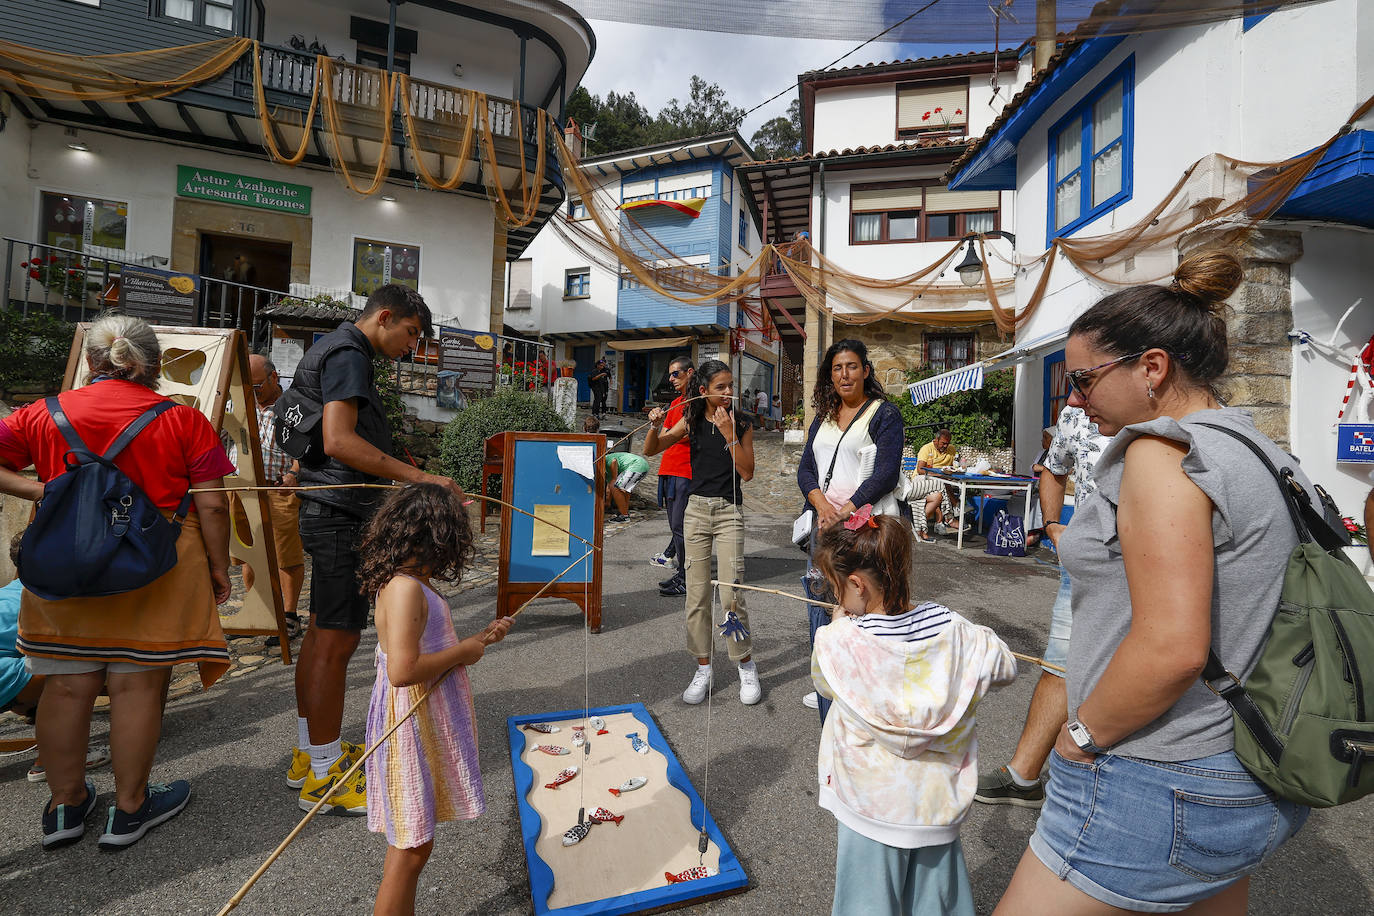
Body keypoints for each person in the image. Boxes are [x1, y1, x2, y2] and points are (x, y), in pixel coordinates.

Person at [995, 251, 1310, 914]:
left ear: (1153, 367)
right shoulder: (1259, 451)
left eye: (1082, 380)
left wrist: (1077, 737)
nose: (1073, 400)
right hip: (1250, 767)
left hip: (1156, 774)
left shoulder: (1160, 453)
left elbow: (1171, 645)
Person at [0, 313, 234, 849]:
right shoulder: (183, 420)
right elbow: (214, 506)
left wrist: (40, 494)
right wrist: (219, 568)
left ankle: (65, 807)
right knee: (136, 685)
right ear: (151, 365)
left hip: (63, 569)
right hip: (153, 570)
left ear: (90, 361)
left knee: (64, 684)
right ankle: (130, 809)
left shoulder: (41, 414)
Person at [286, 284, 464, 817]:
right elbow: (340, 440)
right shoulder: (349, 355)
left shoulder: (330, 348)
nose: (412, 347)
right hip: (341, 514)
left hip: (326, 507)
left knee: (321, 633)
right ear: (385, 316)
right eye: (410, 333)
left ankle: (308, 751)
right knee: (336, 644)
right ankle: (323, 776)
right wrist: (419, 476)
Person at [813, 512, 1016, 916]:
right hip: (935, 808)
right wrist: (965, 633)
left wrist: (839, 625)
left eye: (836, 589)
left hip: (869, 807)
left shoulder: (838, 641)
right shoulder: (956, 630)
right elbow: (1005, 666)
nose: (836, 598)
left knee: (864, 906)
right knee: (937, 906)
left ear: (857, 584)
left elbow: (823, 682)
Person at [357, 483, 512, 916]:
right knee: (409, 848)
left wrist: (480, 639)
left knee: (416, 846)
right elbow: (403, 671)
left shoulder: (409, 581)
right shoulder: (405, 588)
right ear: (437, 536)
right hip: (407, 724)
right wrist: (464, 652)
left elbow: (425, 651)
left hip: (419, 719)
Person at [975, 405, 1109, 808]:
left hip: (1149, 568)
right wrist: (1053, 527)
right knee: (1059, 663)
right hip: (1085, 562)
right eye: (1073, 379)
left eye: (1084, 376)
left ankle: (1105, 793)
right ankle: (1024, 775)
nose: (1075, 395)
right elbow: (1053, 467)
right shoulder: (1076, 416)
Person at [796, 339, 906, 718]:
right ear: (830, 374)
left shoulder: (883, 414)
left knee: (865, 610)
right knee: (821, 605)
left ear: (866, 371)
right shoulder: (823, 417)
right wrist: (823, 506)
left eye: (852, 366)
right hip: (824, 527)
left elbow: (887, 472)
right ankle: (826, 687)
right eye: (838, 368)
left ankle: (863, 699)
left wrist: (846, 509)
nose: (845, 374)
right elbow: (806, 469)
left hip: (864, 528)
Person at [644, 359, 760, 705]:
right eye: (720, 387)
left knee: (731, 595)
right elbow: (653, 448)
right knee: (695, 597)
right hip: (695, 510)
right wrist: (652, 426)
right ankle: (704, 668)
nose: (728, 393)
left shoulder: (742, 422)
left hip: (728, 512)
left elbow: (748, 472)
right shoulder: (691, 419)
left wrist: (729, 435)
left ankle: (745, 665)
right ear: (704, 390)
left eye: (730, 386)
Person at [230, 353, 306, 644]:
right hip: (241, 487)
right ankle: (259, 610)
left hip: (277, 488)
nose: (252, 392)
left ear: (274, 378)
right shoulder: (237, 401)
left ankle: (288, 615)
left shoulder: (292, 407)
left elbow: (304, 449)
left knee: (285, 554)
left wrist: (294, 475)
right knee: (248, 551)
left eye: (257, 386)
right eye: (246, 386)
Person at [650, 358, 694, 597]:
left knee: (681, 526)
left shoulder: (696, 403)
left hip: (684, 471)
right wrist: (659, 426)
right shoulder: (676, 403)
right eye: (670, 375)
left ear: (689, 372)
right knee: (675, 525)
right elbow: (664, 437)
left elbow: (680, 435)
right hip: (669, 469)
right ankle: (682, 574)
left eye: (675, 374)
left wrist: (670, 432)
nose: (671, 379)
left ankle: (688, 578)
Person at [583, 416, 648, 525]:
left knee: (616, 485)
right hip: (641, 464)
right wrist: (608, 502)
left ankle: (624, 515)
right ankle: (623, 512)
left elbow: (613, 461)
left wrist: (614, 478)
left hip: (636, 465)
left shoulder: (605, 459)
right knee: (623, 490)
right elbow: (609, 488)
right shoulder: (604, 462)